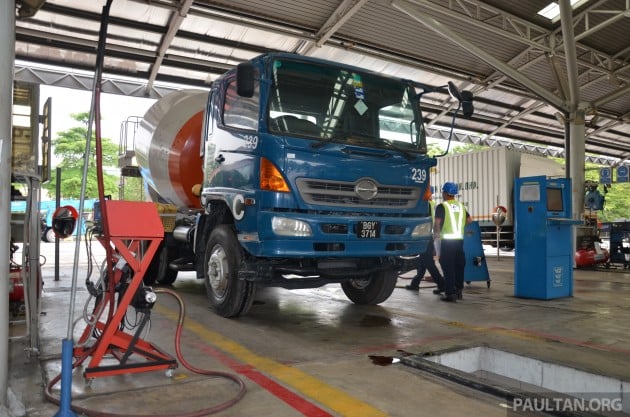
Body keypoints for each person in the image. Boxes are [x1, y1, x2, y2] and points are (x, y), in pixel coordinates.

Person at [433, 182, 472, 302]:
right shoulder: (461, 206)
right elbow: (470, 220)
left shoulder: (442, 206)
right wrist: (460, 227)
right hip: (459, 241)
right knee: (459, 265)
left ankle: (450, 293)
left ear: (445, 193)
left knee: (448, 266)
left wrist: (436, 236)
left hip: (447, 241)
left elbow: (437, 223)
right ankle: (459, 290)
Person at [405, 200, 444, 291]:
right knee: (423, 262)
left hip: (426, 236)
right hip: (428, 235)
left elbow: (425, 220)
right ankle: (415, 283)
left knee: (428, 263)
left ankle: (442, 284)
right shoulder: (432, 203)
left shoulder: (426, 204)